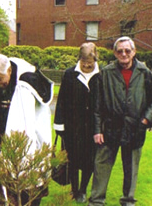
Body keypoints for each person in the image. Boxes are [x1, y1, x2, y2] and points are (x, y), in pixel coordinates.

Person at [88, 36, 152, 206]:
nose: (124, 54)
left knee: (131, 169)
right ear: (115, 53)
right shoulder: (105, 73)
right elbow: (97, 105)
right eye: (120, 51)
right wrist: (97, 130)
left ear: (134, 51)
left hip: (135, 128)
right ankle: (96, 201)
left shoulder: (145, 73)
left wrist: (146, 120)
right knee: (101, 167)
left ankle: (128, 201)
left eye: (127, 50)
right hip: (109, 129)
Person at [0, 53, 54, 206]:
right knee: (1, 191)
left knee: (27, 189)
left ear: (9, 71)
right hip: (6, 141)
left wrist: (17, 157)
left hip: (29, 144)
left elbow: (25, 125)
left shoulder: (26, 83)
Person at [54, 42, 100, 203]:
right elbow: (61, 100)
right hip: (72, 125)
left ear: (96, 58)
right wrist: (59, 124)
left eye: (90, 63)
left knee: (89, 160)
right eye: (84, 62)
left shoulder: (102, 75)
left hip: (93, 126)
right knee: (71, 159)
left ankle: (82, 189)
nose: (87, 65)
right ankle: (74, 190)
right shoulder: (69, 74)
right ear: (79, 59)